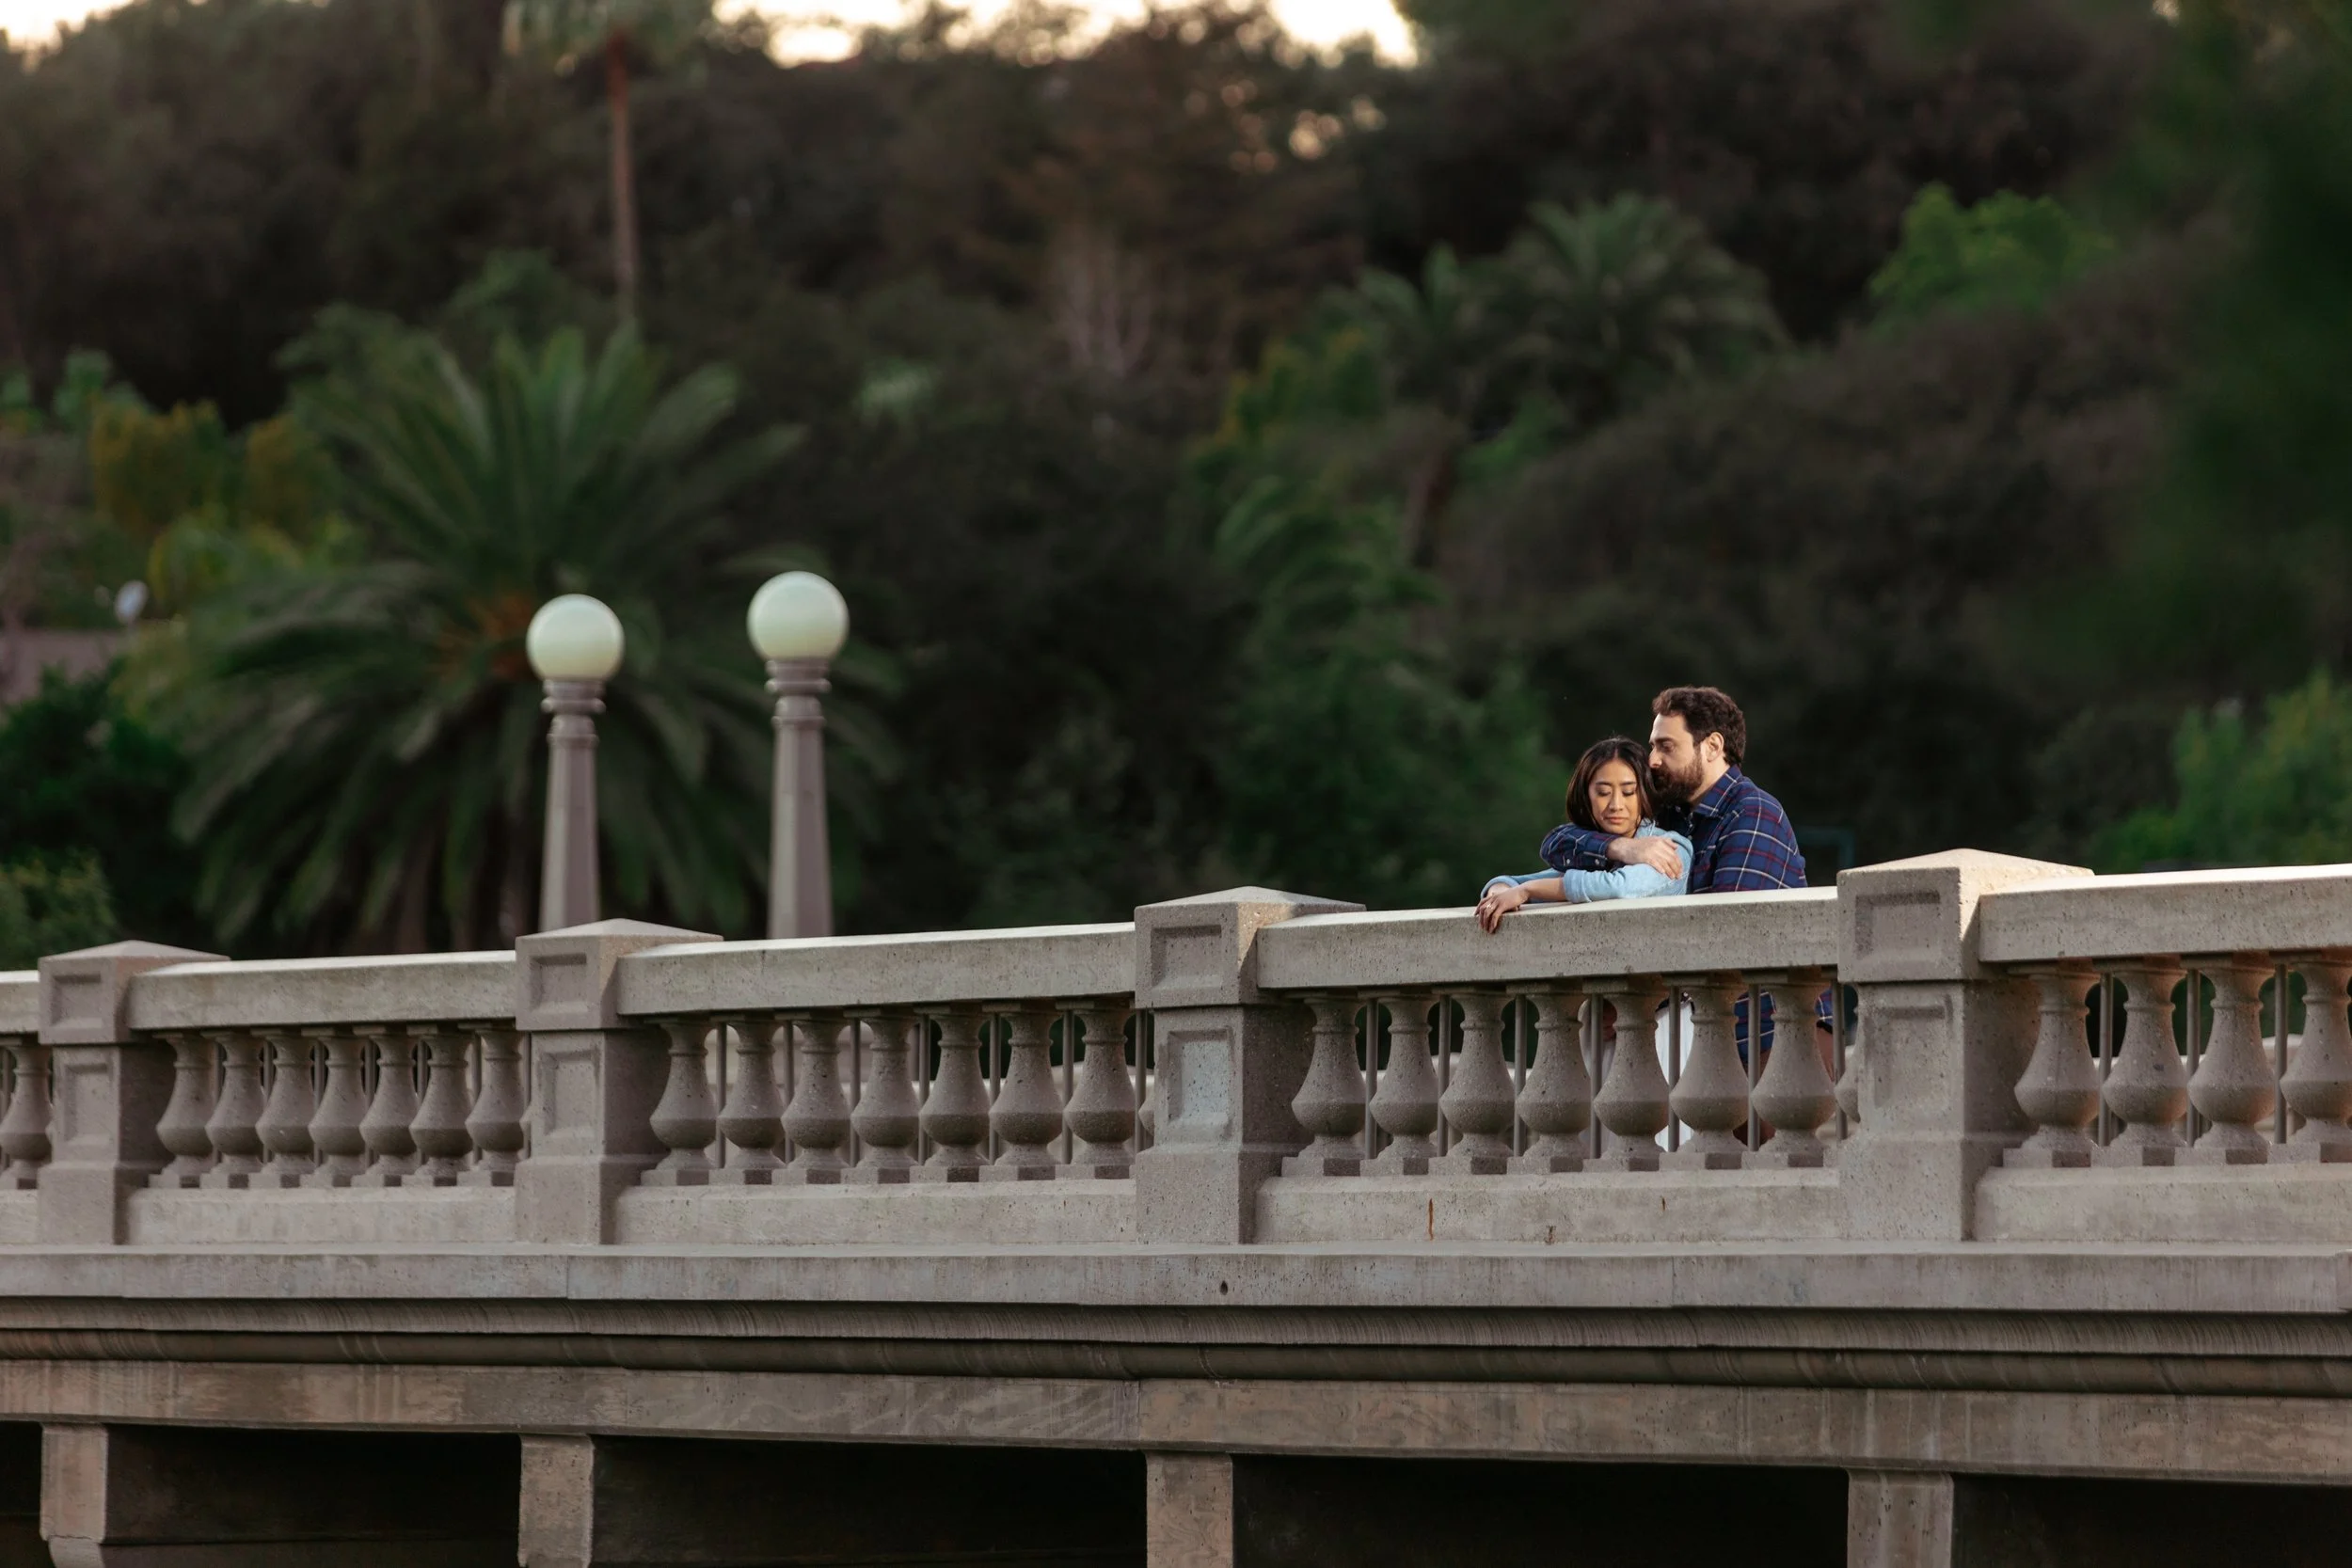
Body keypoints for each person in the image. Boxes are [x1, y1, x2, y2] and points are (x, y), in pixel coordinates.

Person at [1538, 685, 1805, 894]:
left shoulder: (1753, 814)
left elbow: (1732, 932)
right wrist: (1618, 847)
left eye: (1666, 747)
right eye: (1653, 746)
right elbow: (1556, 844)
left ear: (1712, 747)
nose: (1652, 760)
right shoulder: (1670, 811)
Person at [1475, 737, 1691, 932]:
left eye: (1628, 792)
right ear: (1586, 796)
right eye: (1603, 792)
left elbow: (1617, 887)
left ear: (1645, 792)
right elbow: (1522, 882)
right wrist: (1499, 892)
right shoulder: (1593, 854)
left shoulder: (1672, 848)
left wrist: (1528, 890)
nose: (1616, 805)